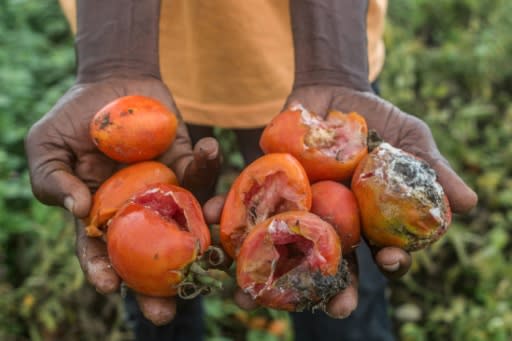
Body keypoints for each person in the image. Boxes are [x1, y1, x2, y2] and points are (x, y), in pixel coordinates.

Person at [26, 1, 478, 340]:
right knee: (157, 309)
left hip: (327, 42)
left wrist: (335, 70)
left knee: (343, 309)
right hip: (143, 54)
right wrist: (116, 62)